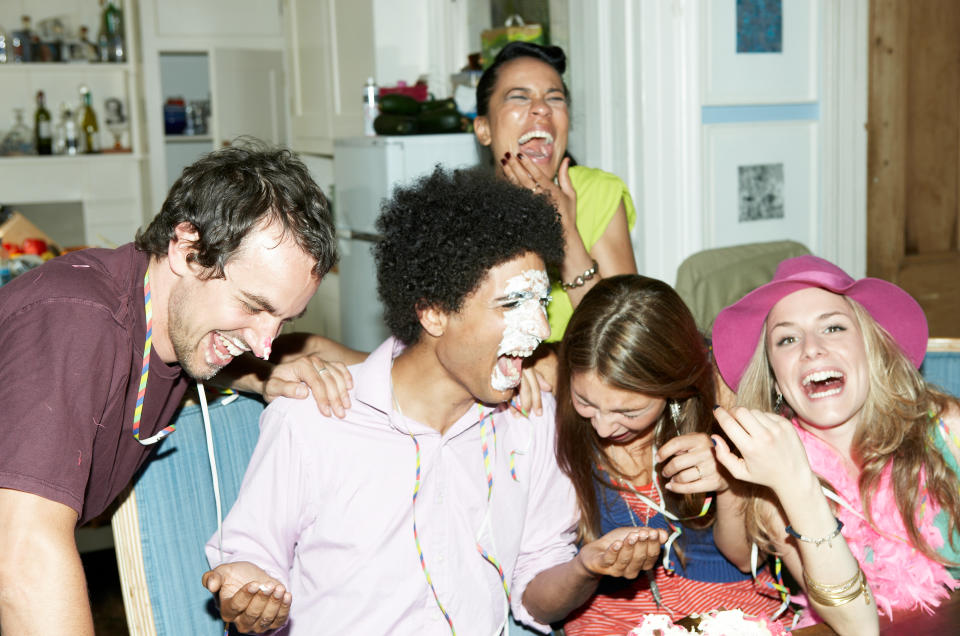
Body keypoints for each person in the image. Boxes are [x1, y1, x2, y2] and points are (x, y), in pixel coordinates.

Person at [202, 167, 668, 635]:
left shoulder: (530, 422)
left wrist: (584, 567)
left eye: (541, 304)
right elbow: (250, 559)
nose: (541, 331)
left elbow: (536, 589)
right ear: (433, 312)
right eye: (511, 305)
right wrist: (249, 590)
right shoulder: (315, 417)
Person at [0, 142, 342, 635]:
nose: (266, 345)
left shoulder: (168, 328)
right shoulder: (76, 320)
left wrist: (242, 371)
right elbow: (25, 553)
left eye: (282, 320)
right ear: (186, 250)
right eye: (252, 305)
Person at [709, 255, 960, 632]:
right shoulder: (773, 487)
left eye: (834, 328)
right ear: (777, 381)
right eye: (788, 339)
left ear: (871, 349)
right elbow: (857, 626)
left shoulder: (947, 428)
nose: (811, 349)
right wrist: (796, 486)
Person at [554, 275, 790, 634]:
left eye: (628, 412)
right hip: (616, 621)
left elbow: (744, 559)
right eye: (585, 401)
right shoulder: (553, 424)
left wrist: (727, 482)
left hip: (730, 610)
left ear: (674, 386)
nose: (601, 427)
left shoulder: (723, 408)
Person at [474, 41, 638, 344]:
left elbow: (627, 341)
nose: (542, 109)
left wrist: (566, 233)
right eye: (519, 96)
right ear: (483, 129)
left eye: (555, 98)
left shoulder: (596, 193)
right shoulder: (461, 214)